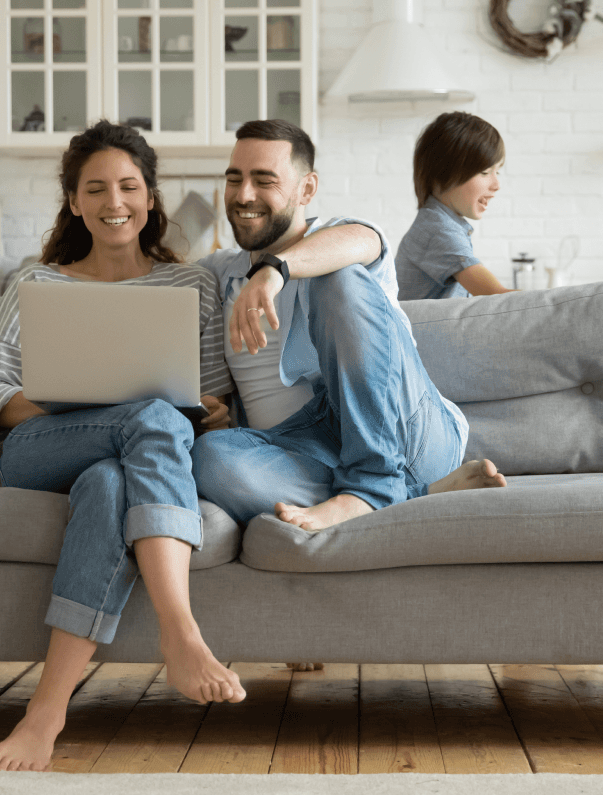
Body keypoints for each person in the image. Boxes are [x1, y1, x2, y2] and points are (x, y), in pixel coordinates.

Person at [0, 121, 247, 772]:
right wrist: (72, 402)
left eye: (128, 186)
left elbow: (211, 396)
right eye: (96, 189)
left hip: (129, 461)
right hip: (42, 446)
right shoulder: (37, 284)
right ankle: (181, 634)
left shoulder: (192, 286)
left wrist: (211, 408)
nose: (113, 201)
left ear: (150, 198)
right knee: (148, 416)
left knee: (111, 484)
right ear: (74, 201)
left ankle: (46, 714)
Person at [192, 119, 505, 534]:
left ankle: (372, 484)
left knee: (338, 275)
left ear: (306, 189)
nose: (244, 194)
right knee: (207, 457)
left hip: (405, 429)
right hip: (305, 448)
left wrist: (276, 270)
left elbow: (361, 242)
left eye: (263, 180)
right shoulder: (218, 273)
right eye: (235, 180)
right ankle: (412, 493)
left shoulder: (340, 237)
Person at [396, 111, 512, 300]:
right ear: (443, 175)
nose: (497, 185)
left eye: (497, 172)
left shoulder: (440, 223)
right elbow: (497, 297)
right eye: (484, 172)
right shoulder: (438, 230)